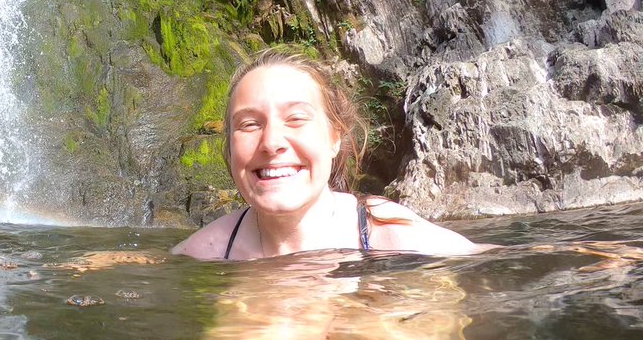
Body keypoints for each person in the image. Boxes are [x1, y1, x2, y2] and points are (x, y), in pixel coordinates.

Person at [174, 49, 478, 260]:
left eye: (296, 118)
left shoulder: (395, 237)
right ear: (229, 146)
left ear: (335, 137)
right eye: (249, 124)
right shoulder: (205, 252)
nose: (271, 142)